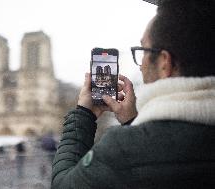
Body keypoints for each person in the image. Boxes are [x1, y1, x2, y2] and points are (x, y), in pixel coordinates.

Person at [51, 0, 215, 188]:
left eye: (143, 50)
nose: (142, 63)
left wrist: (83, 114)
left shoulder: (122, 149)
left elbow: (62, 184)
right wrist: (133, 121)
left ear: (164, 62)